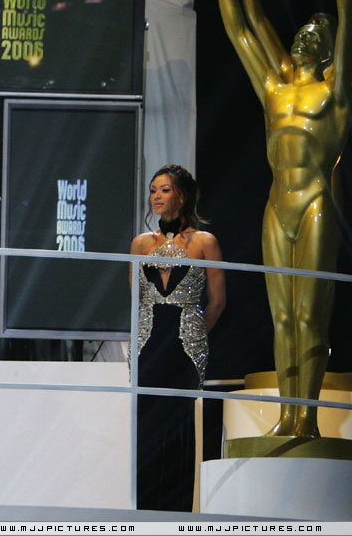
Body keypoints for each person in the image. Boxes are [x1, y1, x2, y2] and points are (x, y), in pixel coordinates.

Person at [200, 0, 352, 438]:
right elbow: (242, 23)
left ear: (328, 49)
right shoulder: (273, 88)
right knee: (282, 317)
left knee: (311, 315)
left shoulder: (334, 92)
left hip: (316, 200)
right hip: (278, 204)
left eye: (316, 34)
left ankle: (307, 420)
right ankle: (286, 417)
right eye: (302, 30)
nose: (303, 36)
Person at [130, 164, 225, 512]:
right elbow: (136, 300)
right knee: (146, 427)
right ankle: (143, 516)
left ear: (182, 196)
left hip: (185, 346)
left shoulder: (205, 242)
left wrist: (195, 334)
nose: (156, 196)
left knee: (179, 426)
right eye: (153, 190)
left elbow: (217, 302)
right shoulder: (141, 244)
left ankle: (177, 516)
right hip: (148, 343)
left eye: (164, 190)